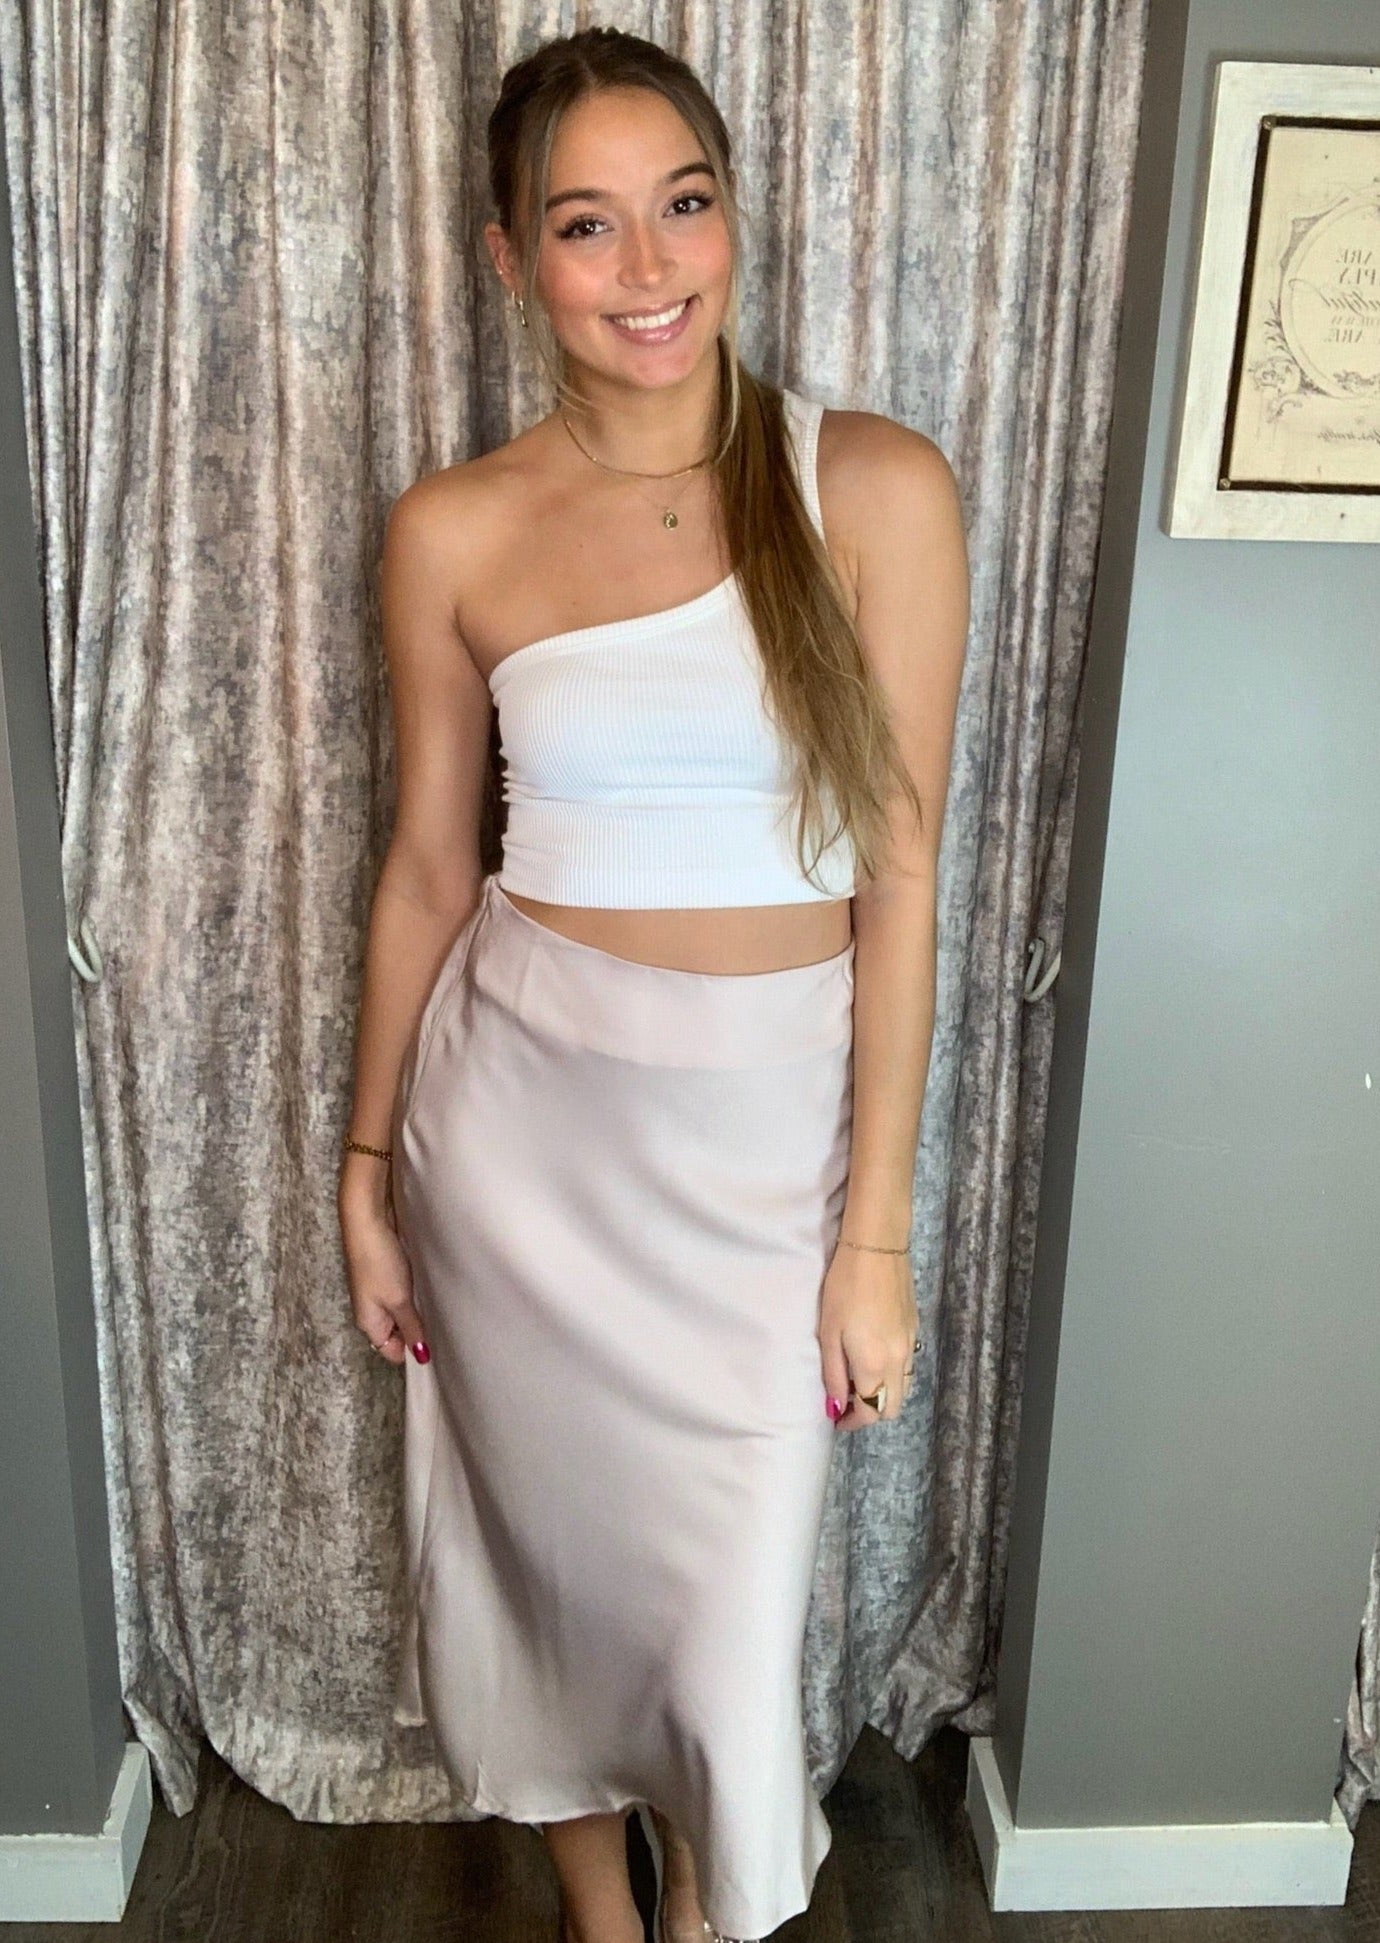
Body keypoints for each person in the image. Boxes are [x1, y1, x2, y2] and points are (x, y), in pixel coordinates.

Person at [337, 25, 968, 1943]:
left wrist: (873, 1237)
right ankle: (609, 1919)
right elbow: (430, 868)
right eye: (586, 224)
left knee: (718, 1610)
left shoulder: (872, 486)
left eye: (681, 204)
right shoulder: (455, 529)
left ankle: (705, 1897)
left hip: (762, 1169)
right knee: (545, 1574)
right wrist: (364, 1170)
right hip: (518, 1148)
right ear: (510, 258)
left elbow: (903, 877)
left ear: (733, 213)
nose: (649, 267)